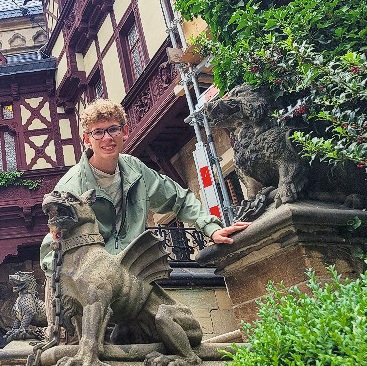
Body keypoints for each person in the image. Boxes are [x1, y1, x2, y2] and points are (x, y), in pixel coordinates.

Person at [40, 99, 249, 275]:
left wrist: (212, 229)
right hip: (94, 282)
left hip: (136, 274)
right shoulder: (69, 188)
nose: (107, 138)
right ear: (87, 139)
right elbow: (50, 250)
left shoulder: (135, 169)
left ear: (125, 132)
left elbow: (180, 199)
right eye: (98, 132)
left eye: (113, 129)